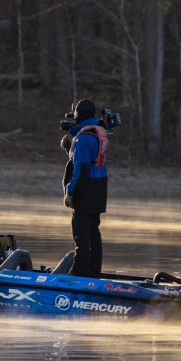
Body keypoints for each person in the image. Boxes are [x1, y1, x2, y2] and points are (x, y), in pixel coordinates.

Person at [62, 98, 109, 277]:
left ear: (78, 116)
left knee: (81, 237)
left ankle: (80, 276)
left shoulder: (83, 138)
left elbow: (80, 170)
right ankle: (93, 275)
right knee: (93, 235)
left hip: (86, 190)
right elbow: (88, 159)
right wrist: (69, 149)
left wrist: (70, 192)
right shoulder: (97, 133)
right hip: (98, 189)